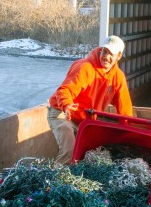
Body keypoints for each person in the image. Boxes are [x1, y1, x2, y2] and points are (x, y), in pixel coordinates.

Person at [47, 35, 133, 164]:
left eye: (111, 54)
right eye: (105, 51)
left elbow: (125, 108)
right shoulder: (85, 68)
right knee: (70, 150)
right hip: (62, 114)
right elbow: (64, 90)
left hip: (86, 121)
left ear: (119, 56)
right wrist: (67, 104)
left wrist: (128, 132)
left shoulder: (118, 77)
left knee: (93, 153)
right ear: (100, 49)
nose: (106, 57)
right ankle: (54, 182)